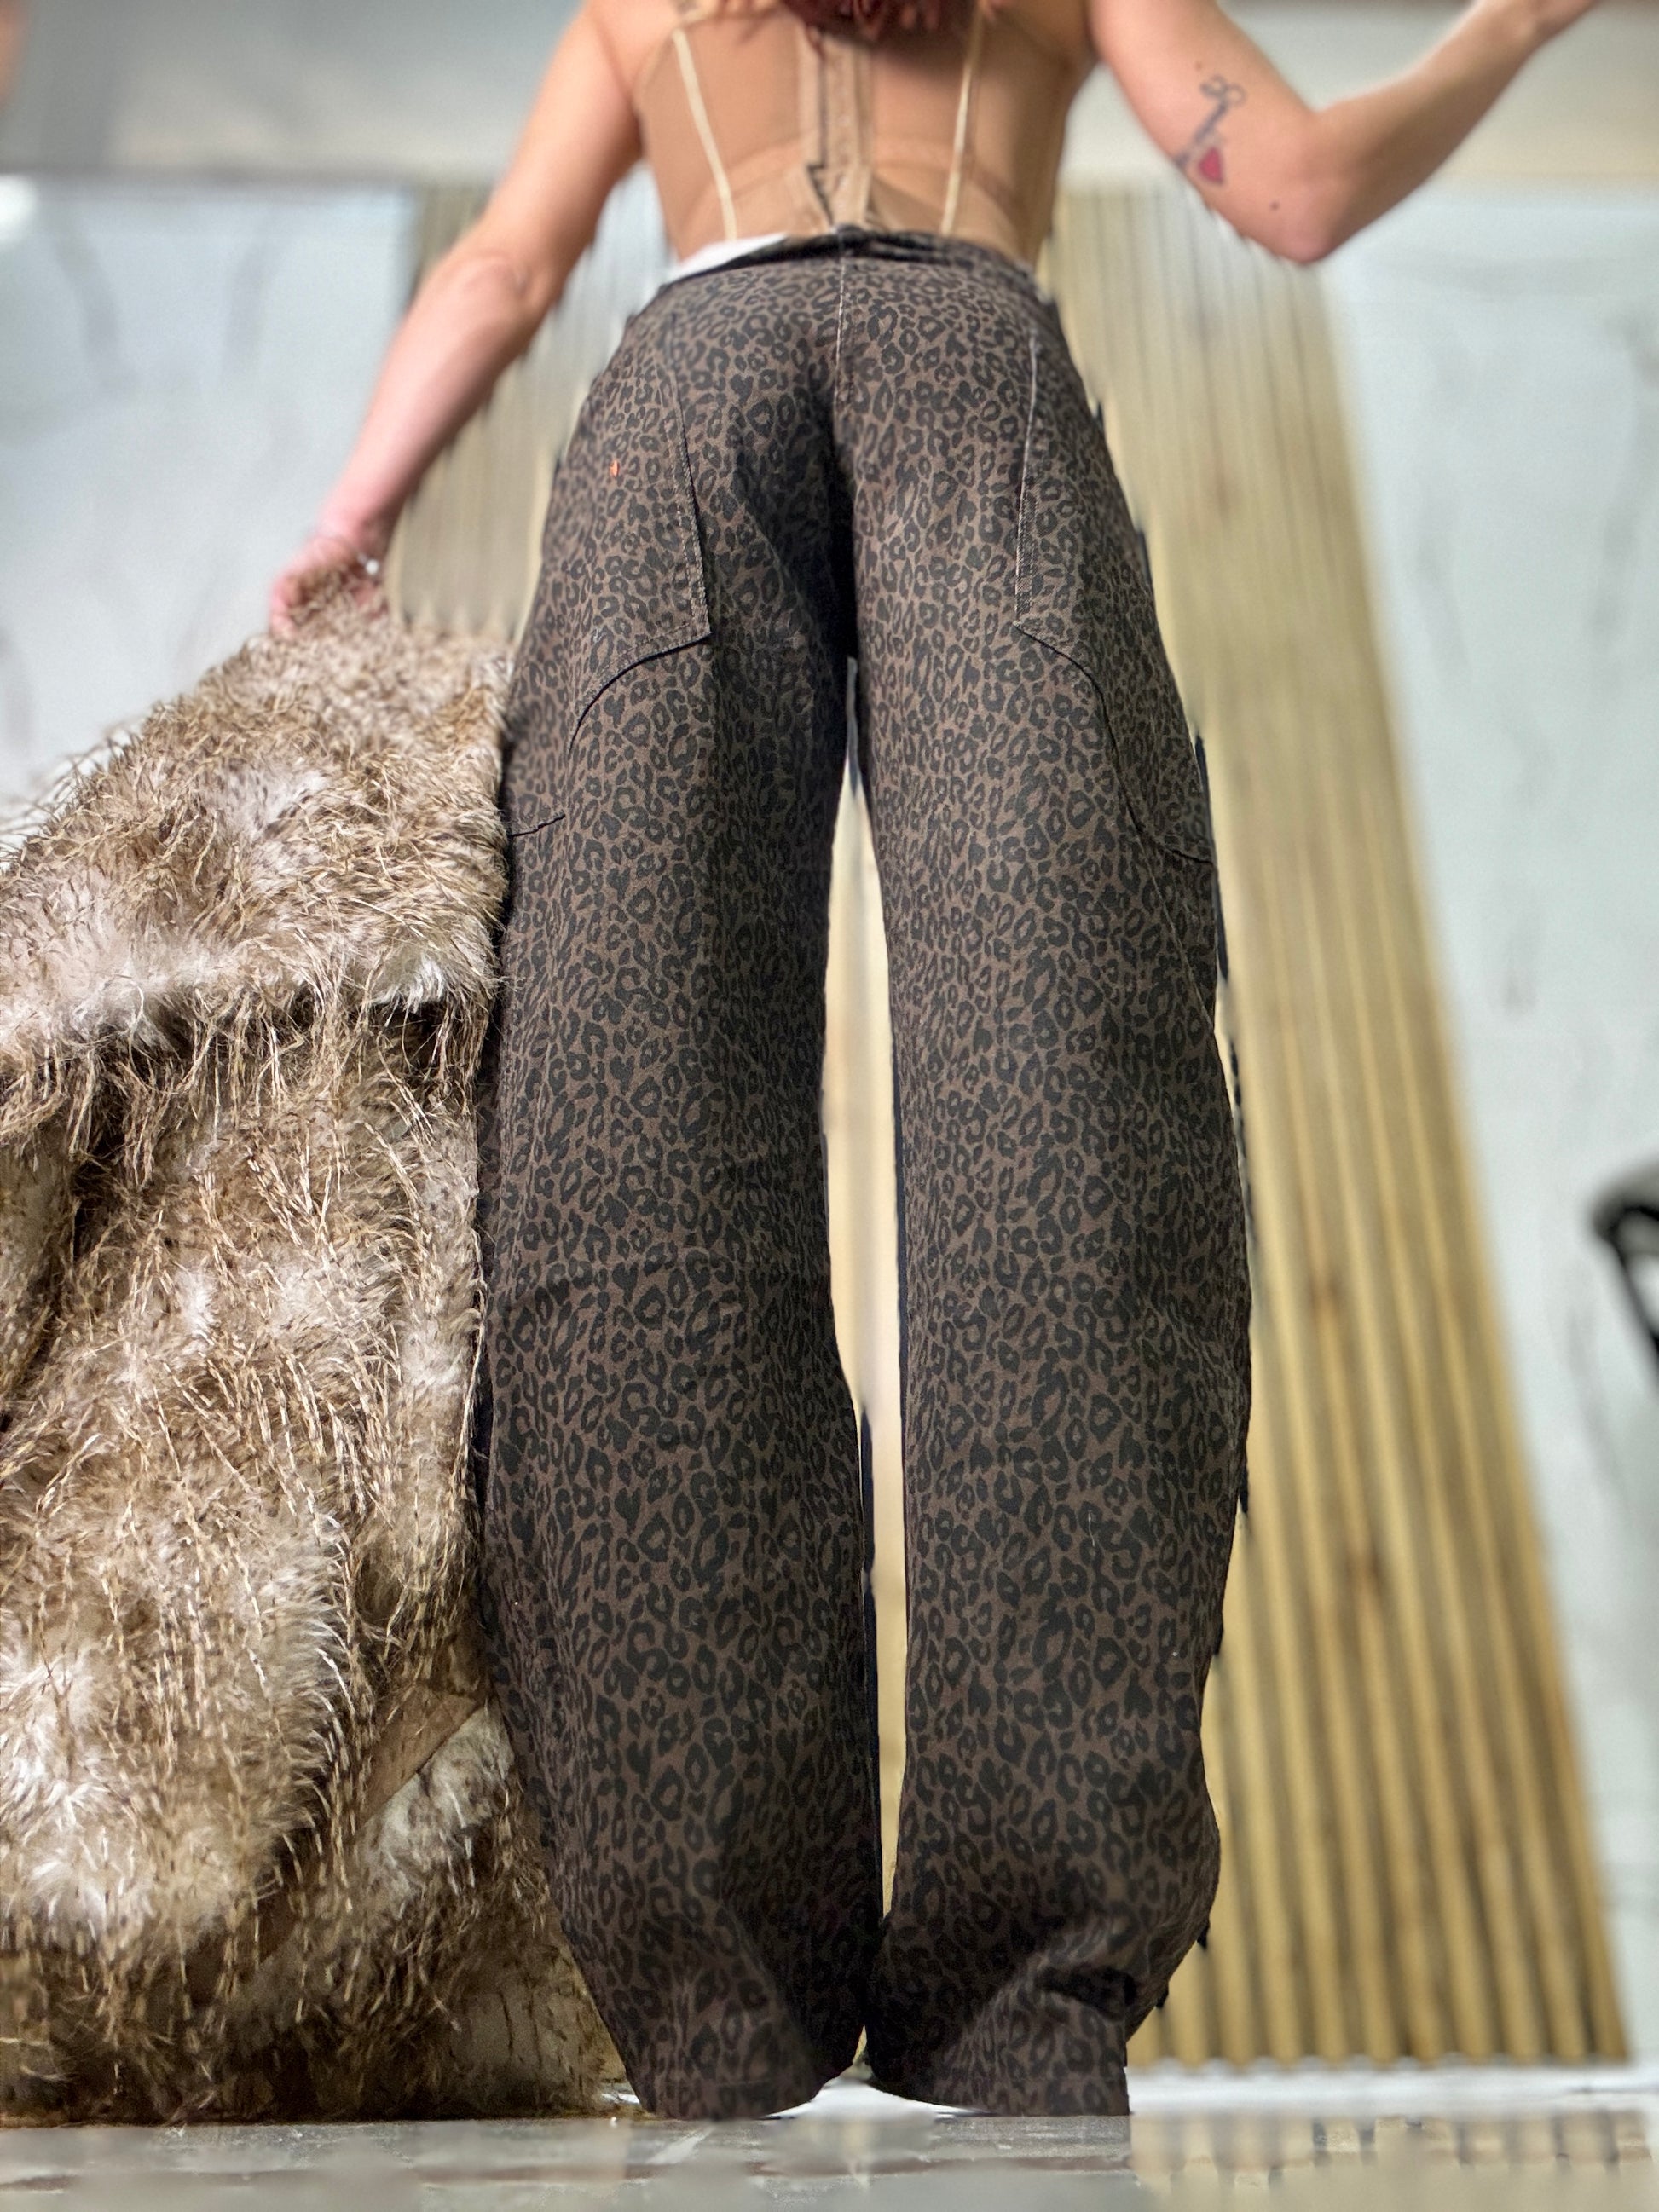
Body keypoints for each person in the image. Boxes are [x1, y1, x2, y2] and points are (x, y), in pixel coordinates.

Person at [270, 0, 1600, 2122]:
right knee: (1067, 1127)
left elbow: (507, 266)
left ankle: (711, 1997)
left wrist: (353, 515)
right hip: (974, 374)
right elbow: (1293, 187)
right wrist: (1508, 23)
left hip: (684, 392)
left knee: (627, 1143)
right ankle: (1022, 1995)